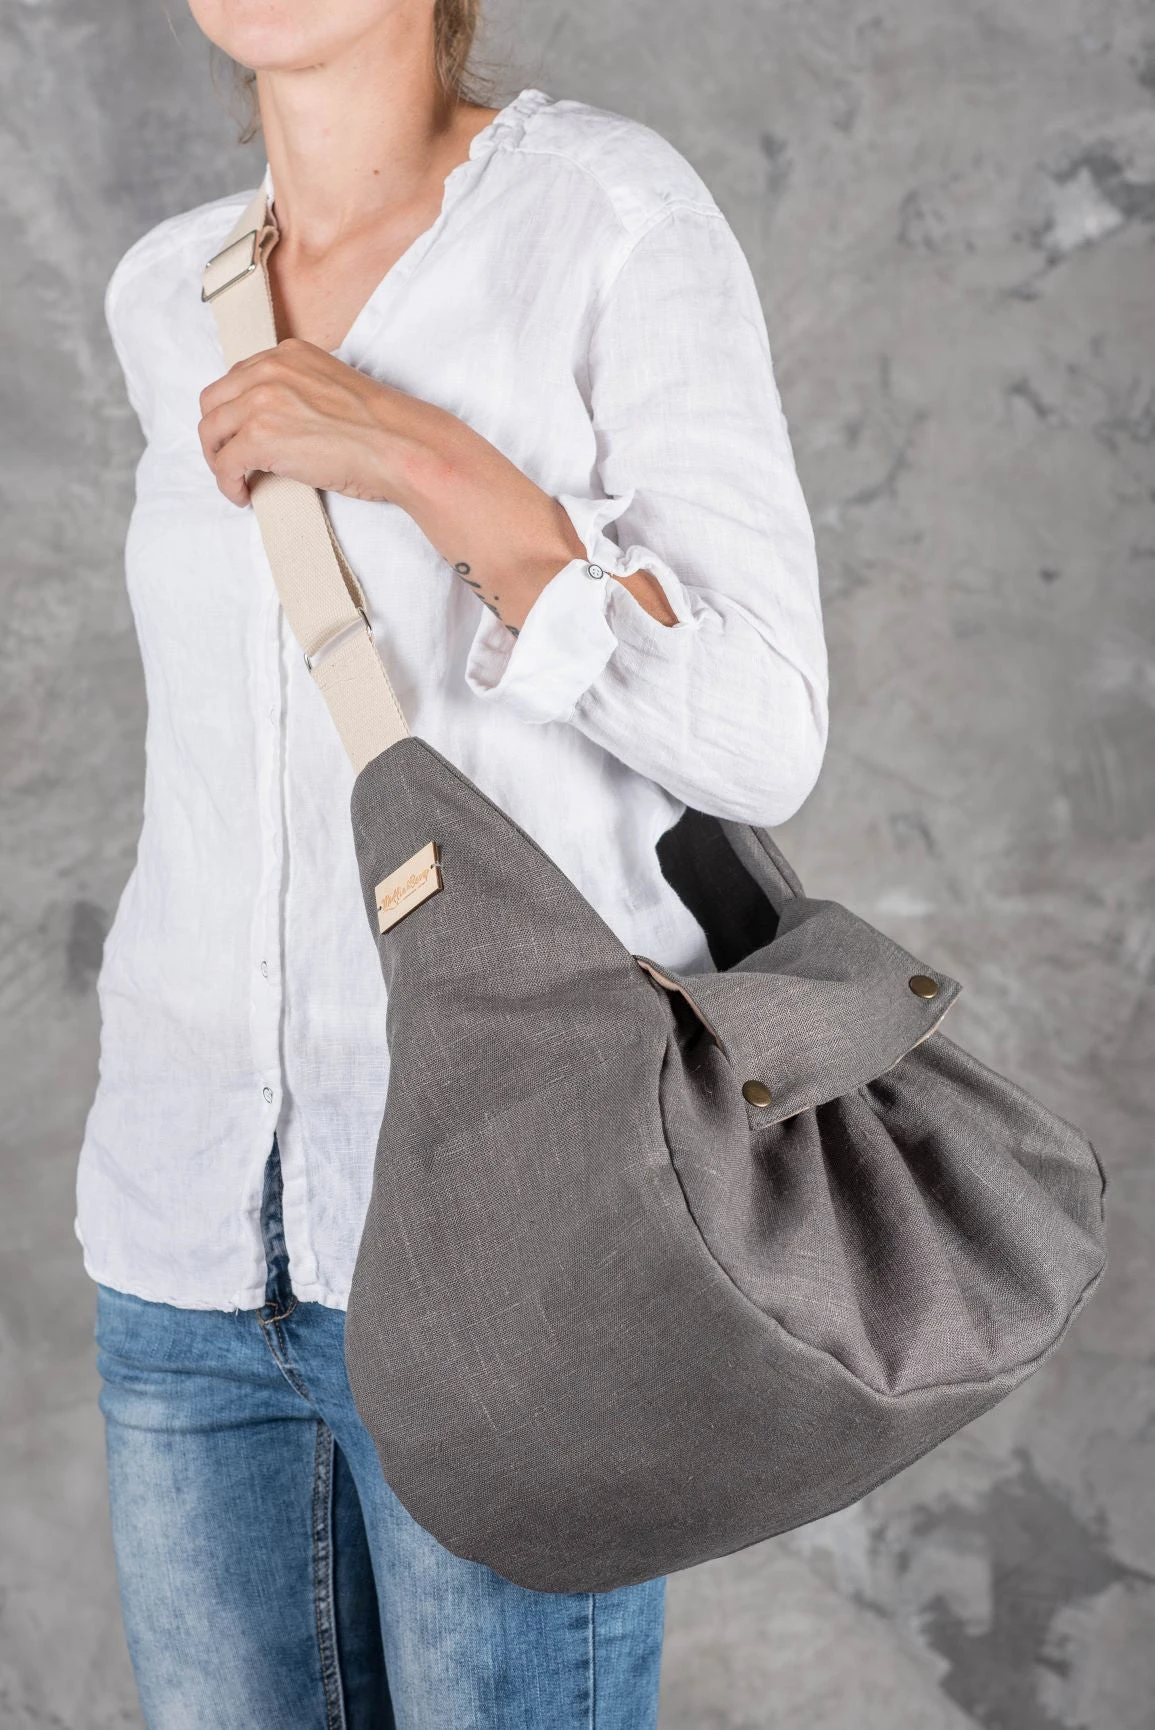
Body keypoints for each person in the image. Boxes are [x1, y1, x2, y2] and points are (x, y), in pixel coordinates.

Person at [78, 1, 829, 1724]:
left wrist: (424, 461)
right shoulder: (163, 292)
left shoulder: (606, 220)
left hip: (517, 1242)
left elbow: (761, 730)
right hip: (186, 1232)